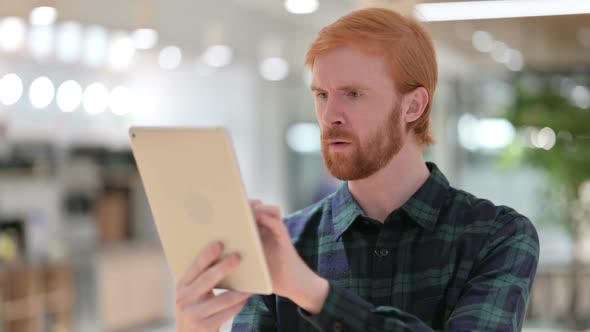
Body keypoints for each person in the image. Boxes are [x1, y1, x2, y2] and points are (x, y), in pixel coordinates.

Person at [175, 7, 540, 332]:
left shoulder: (496, 236)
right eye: (321, 94)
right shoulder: (287, 245)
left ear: (413, 106)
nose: (330, 115)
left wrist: (312, 293)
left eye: (352, 93)